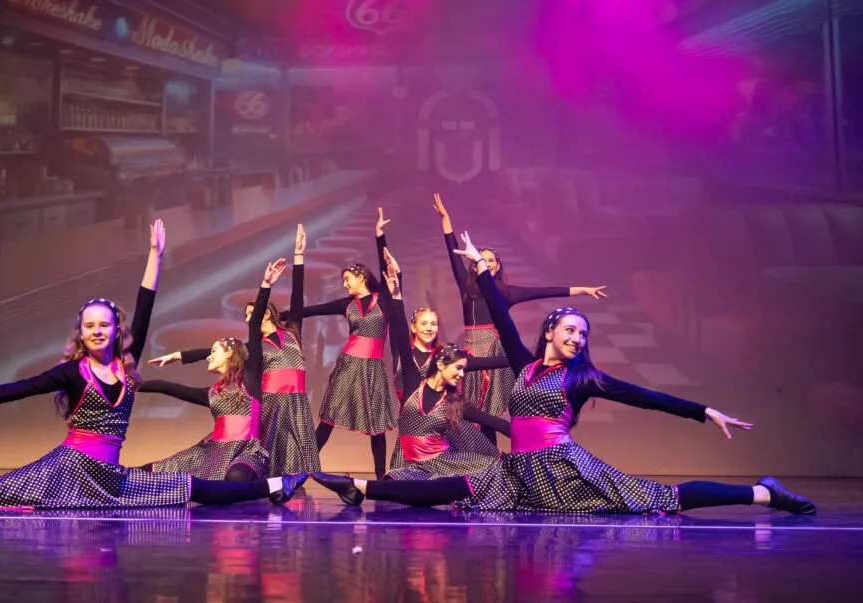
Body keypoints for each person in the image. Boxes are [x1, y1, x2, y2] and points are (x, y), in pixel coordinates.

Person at [311, 230, 816, 516]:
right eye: (571, 331)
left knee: (663, 499)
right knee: (456, 488)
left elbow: (647, 397)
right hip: (517, 470)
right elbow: (502, 318)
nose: (578, 339)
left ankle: (763, 491)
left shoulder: (584, 379)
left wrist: (703, 411)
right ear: (551, 332)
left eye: (583, 335)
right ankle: (361, 486)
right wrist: (480, 271)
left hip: (562, 466)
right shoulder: (525, 366)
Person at [0, 220, 304, 509]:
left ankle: (271, 486)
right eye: (88, 325)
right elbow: (13, 390)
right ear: (80, 332)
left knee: (194, 489)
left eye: (104, 325)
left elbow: (145, 306)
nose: (96, 331)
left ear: (115, 330)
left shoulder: (126, 368)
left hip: (110, 477)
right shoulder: (73, 373)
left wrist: (155, 256)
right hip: (67, 468)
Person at [433, 193, 606, 443]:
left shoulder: (508, 292)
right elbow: (452, 253)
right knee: (474, 413)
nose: (487, 264)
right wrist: (446, 220)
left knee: (493, 411)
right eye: (483, 260)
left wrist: (582, 290)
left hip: (495, 352)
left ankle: (519, 450)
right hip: (473, 353)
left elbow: (545, 291)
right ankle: (483, 459)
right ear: (474, 264)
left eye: (492, 260)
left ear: (498, 265)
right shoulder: (466, 287)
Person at [149, 225, 320, 476]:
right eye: (246, 315)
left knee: (298, 458)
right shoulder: (255, 347)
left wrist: (298, 257)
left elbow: (297, 298)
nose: (250, 318)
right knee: (272, 459)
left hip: (296, 400)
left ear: (268, 313)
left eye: (254, 313)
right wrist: (179, 355)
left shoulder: (292, 330)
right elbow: (216, 350)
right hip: (270, 402)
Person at [281, 209, 398, 479]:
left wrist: (379, 235)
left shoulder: (384, 299)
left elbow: (385, 266)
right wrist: (279, 315)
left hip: (372, 370)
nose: (344, 285)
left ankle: (381, 479)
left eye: (347, 279)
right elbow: (308, 310)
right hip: (347, 366)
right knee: (327, 422)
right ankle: (300, 472)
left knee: (376, 428)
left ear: (361, 277)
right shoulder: (347, 305)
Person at [380, 248, 509, 482]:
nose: (429, 328)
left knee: (479, 465)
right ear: (414, 327)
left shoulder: (444, 357)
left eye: (434, 324)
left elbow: (480, 363)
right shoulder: (405, 359)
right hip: (409, 438)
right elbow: (397, 321)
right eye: (424, 323)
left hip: (439, 434)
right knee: (400, 491)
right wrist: (396, 288)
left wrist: (521, 357)